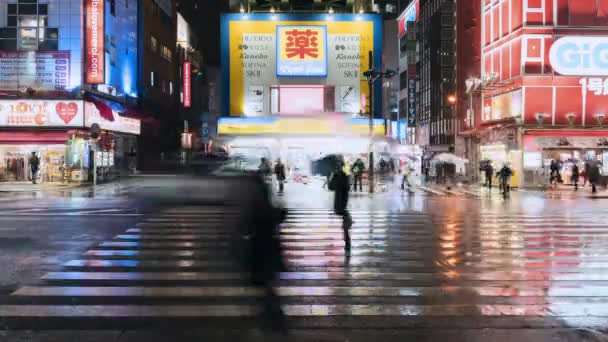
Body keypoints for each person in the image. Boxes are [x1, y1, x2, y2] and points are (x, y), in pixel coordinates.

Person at [247, 173, 287, 330]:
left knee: (264, 280)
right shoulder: (265, 205)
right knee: (267, 279)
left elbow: (248, 224)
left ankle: (272, 309)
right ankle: (271, 307)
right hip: (269, 246)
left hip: (261, 247)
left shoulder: (256, 206)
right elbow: (281, 215)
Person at [329, 158, 352, 252]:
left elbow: (331, 187)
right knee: (343, 215)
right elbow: (331, 187)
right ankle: (347, 240)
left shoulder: (340, 174)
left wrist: (333, 177)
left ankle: (347, 241)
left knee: (343, 214)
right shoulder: (342, 174)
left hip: (341, 200)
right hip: (341, 199)